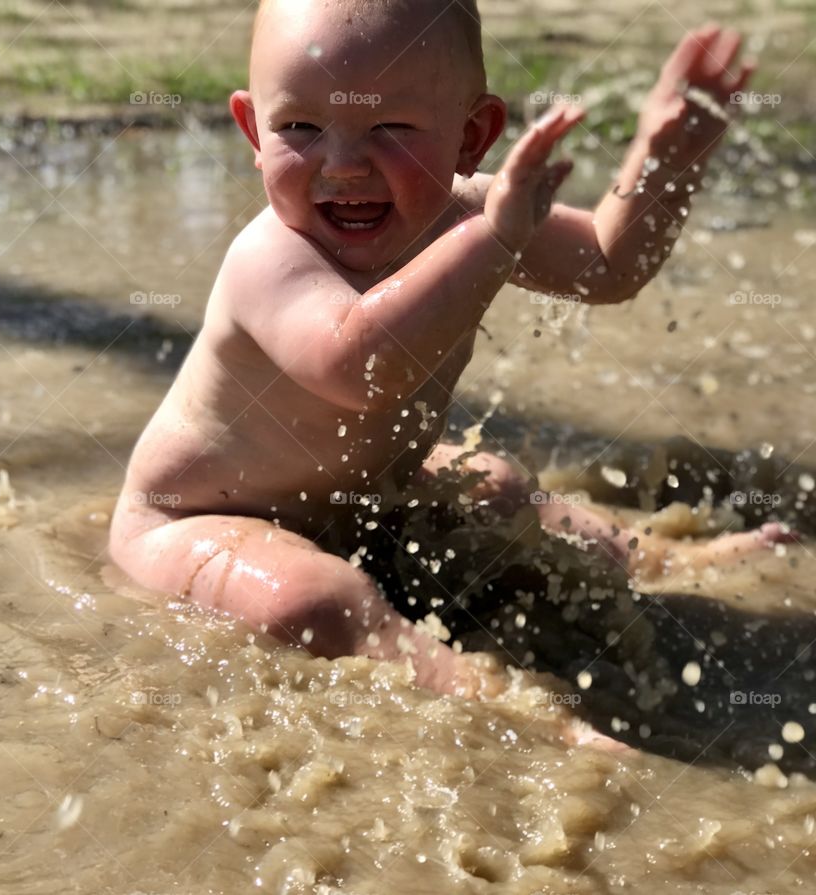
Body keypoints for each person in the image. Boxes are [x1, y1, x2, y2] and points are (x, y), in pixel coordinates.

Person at [110, 0, 776, 698]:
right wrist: (494, 239)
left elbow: (608, 266)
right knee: (313, 598)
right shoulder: (271, 257)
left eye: (390, 127)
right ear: (251, 127)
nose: (342, 166)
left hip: (371, 500)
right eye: (299, 126)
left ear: (472, 135)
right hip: (195, 518)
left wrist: (664, 160)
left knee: (501, 487)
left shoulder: (476, 212)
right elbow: (360, 365)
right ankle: (494, 699)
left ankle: (653, 555)